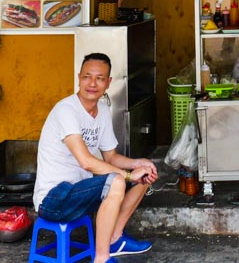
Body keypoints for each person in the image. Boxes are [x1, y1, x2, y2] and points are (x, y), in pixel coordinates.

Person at [34, 53, 159, 261]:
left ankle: (115, 238)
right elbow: (86, 161)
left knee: (145, 176)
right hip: (54, 198)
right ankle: (102, 258)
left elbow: (110, 157)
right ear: (79, 78)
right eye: (87, 77)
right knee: (118, 181)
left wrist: (139, 164)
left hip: (81, 191)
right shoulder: (66, 110)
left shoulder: (101, 110)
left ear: (108, 83)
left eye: (99, 78)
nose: (92, 83)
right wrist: (128, 175)